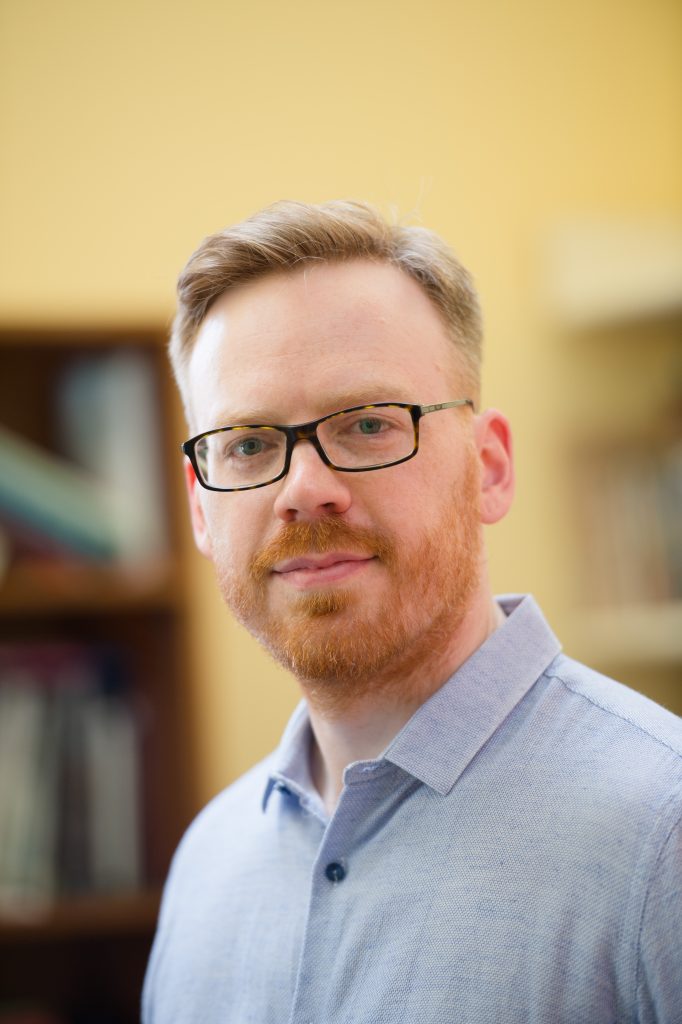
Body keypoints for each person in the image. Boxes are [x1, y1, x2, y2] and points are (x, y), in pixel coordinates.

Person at [142, 200, 682, 1023]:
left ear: (490, 468)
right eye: (248, 443)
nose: (303, 489)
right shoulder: (207, 866)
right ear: (201, 510)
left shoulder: (663, 832)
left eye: (365, 424)